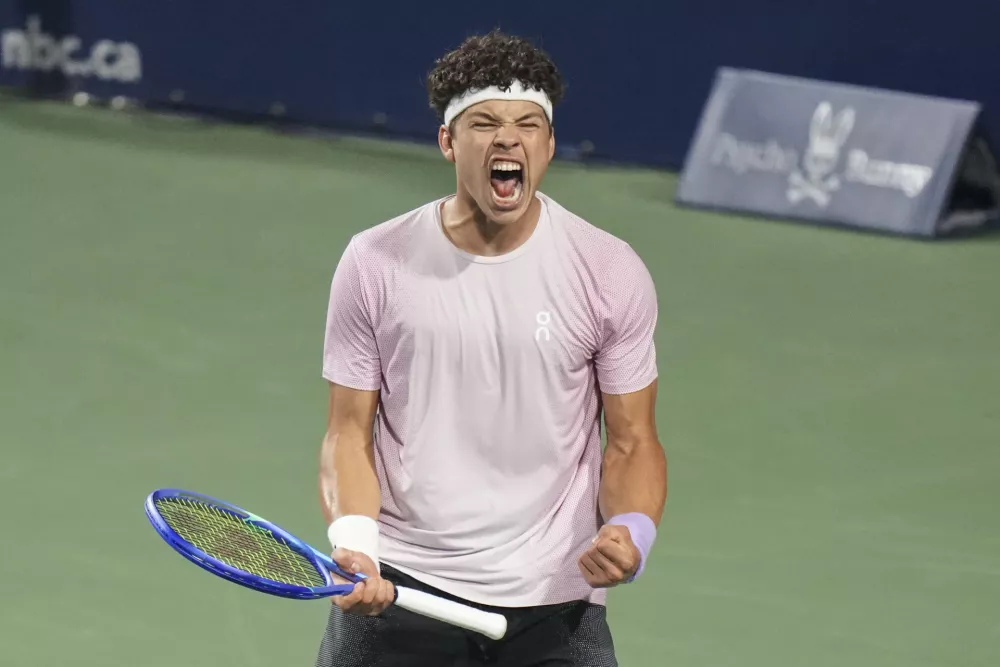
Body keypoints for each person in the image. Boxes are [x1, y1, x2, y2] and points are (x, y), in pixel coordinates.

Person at [315, 29, 667, 667]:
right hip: (403, 589)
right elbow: (347, 432)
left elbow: (633, 440)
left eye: (528, 124)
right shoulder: (375, 263)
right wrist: (356, 541)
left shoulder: (608, 271)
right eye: (485, 123)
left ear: (549, 144)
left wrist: (630, 529)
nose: (509, 139)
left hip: (554, 605)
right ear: (449, 142)